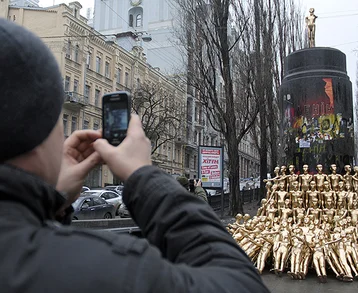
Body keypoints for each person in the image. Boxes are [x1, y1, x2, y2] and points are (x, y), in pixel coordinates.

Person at [0, 19, 269, 293]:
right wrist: (143, 175)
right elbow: (241, 284)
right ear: (39, 130)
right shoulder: (110, 269)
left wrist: (51, 202)